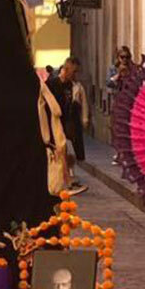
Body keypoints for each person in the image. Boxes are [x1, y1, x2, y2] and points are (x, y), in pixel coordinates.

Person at [45, 57, 87, 195]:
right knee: (60, 153)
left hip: (63, 124)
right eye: (74, 72)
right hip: (52, 123)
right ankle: (65, 183)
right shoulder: (51, 84)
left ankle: (66, 183)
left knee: (63, 152)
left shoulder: (70, 86)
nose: (75, 75)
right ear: (66, 69)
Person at [105, 47, 136, 165]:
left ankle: (127, 153)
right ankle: (119, 153)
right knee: (116, 128)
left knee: (128, 128)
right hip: (117, 101)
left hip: (129, 102)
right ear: (118, 57)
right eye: (122, 57)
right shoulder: (113, 69)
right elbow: (108, 83)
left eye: (127, 57)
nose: (125, 60)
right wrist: (118, 74)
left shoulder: (133, 69)